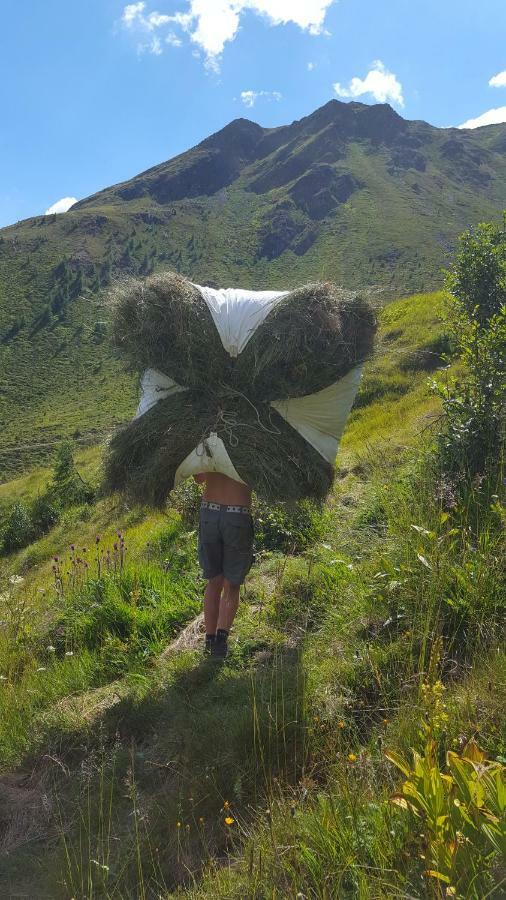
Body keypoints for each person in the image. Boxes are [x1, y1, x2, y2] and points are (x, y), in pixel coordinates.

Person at [194, 471, 254, 658]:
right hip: (237, 514)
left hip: (209, 512)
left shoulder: (210, 442)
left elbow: (198, 478)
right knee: (231, 584)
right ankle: (220, 643)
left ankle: (209, 640)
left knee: (214, 581)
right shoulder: (253, 442)